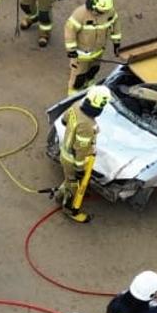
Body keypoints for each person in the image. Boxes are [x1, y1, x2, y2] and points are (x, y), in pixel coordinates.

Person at [56, 85, 109, 223]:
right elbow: (81, 150)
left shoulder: (76, 106)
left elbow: (64, 120)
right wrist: (80, 169)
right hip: (73, 160)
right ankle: (70, 210)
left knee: (69, 178)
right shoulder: (87, 126)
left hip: (65, 152)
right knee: (75, 186)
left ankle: (60, 194)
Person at [63, 0, 122, 95]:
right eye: (100, 11)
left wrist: (116, 42)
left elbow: (115, 25)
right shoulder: (80, 14)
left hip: (98, 51)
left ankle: (89, 87)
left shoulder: (109, 12)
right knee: (78, 78)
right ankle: (73, 95)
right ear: (93, 5)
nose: (102, 13)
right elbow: (70, 31)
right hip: (81, 54)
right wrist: (71, 49)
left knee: (93, 70)